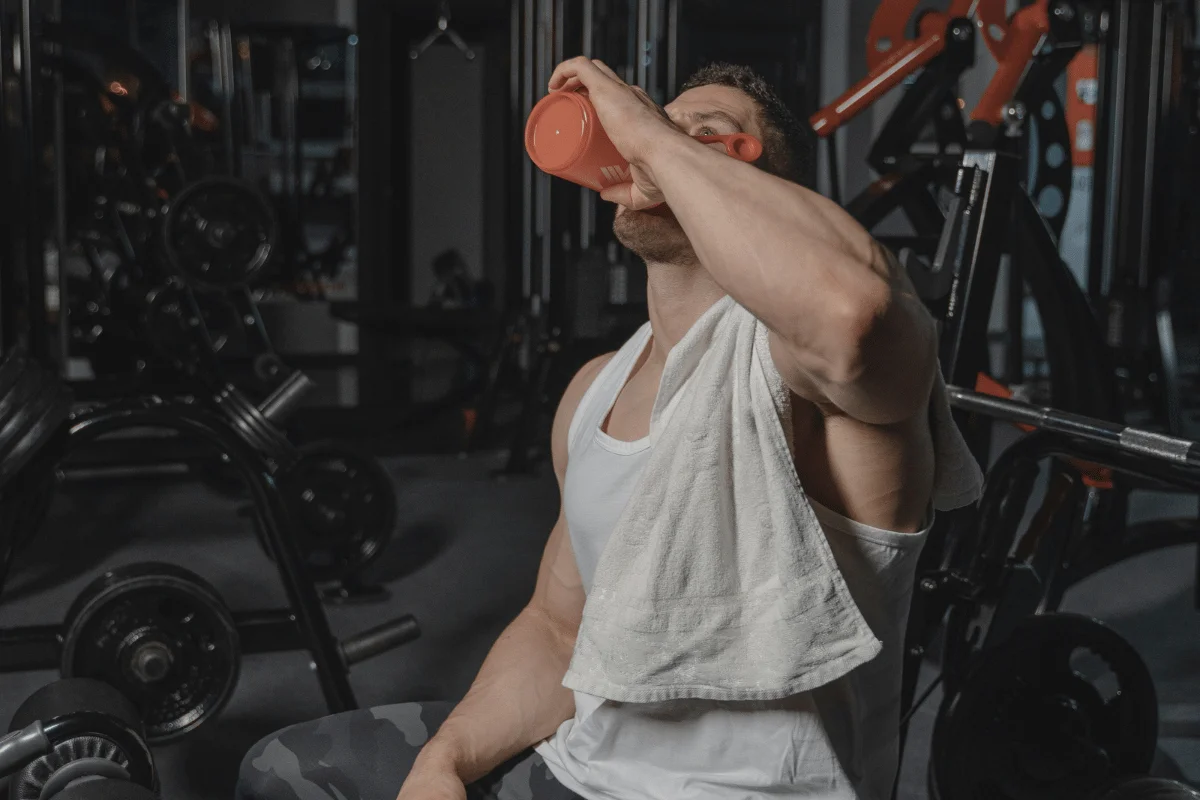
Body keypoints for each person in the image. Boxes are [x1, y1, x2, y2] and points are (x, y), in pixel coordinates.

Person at [237, 58, 975, 800]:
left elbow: (851, 314)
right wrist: (445, 762)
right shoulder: (596, 389)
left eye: (700, 136)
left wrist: (654, 138)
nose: (645, 146)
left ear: (763, 190)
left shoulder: (815, 380)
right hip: (584, 773)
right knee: (279, 772)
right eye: (654, 125)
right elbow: (560, 631)